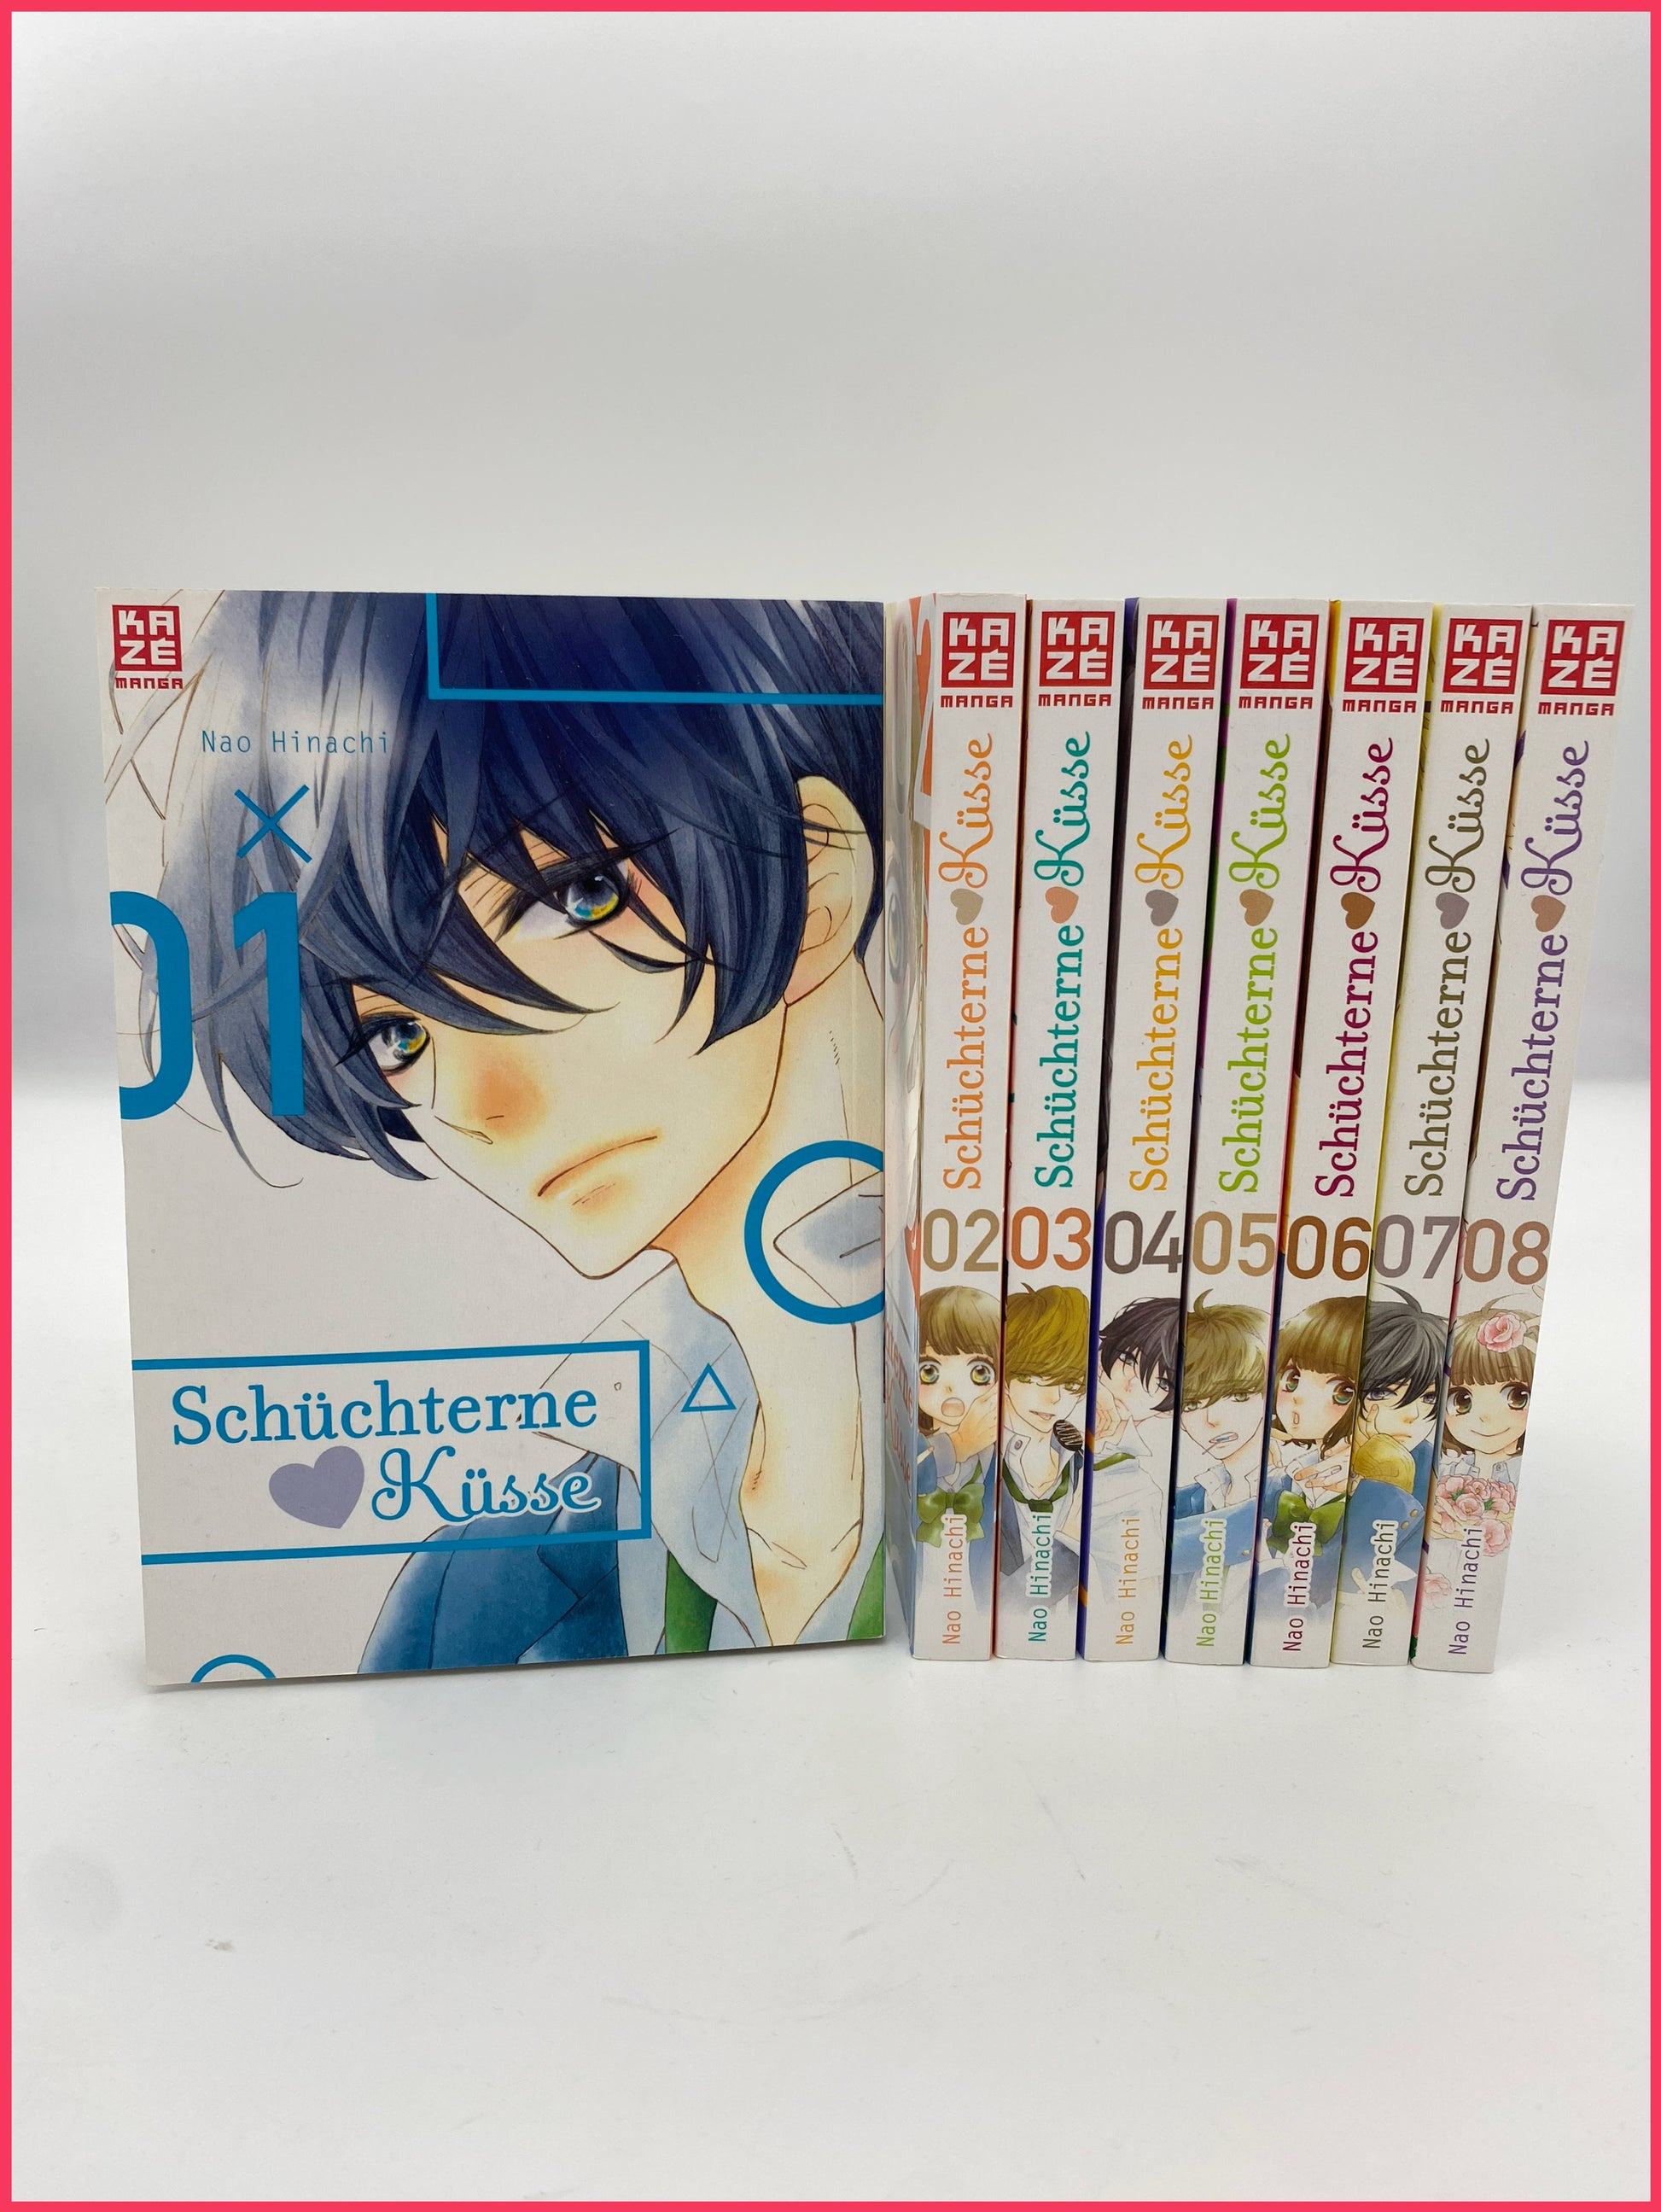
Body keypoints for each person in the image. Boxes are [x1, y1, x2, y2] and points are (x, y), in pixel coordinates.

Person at [134, 590, 886, 1666]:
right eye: (395, 1034)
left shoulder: (1070, 1443)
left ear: (813, 877)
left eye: (567, 897)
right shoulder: (468, 1602)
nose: (477, 1105)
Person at [1167, 1296, 1266, 1632]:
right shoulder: (1193, 1499)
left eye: (1238, 1395)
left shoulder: (1295, 1490)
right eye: (1192, 1403)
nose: (1212, 1419)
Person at [996, 1284, 1091, 1611]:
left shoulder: (1080, 1463)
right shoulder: (980, 1467)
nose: (1054, 1399)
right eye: (1035, 1377)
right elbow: (997, 1607)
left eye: (1072, 1384)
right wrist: (1069, 1545)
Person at [913, 1284, 1002, 1631]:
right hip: (919, 1584)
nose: (952, 1389)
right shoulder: (913, 1442)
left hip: (975, 1589)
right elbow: (912, 1477)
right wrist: (959, 1445)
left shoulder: (996, 1450)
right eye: (930, 1371)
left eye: (979, 1372)